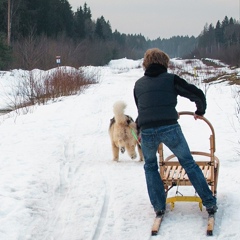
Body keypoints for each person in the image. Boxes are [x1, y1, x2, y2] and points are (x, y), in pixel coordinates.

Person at [133, 48, 217, 218]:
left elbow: (142, 109)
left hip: (147, 131)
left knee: (150, 167)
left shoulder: (138, 84)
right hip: (170, 128)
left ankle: (158, 206)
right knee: (188, 163)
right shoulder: (171, 79)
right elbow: (196, 94)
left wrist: (140, 130)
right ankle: (209, 202)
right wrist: (200, 111)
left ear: (146, 64)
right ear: (165, 63)